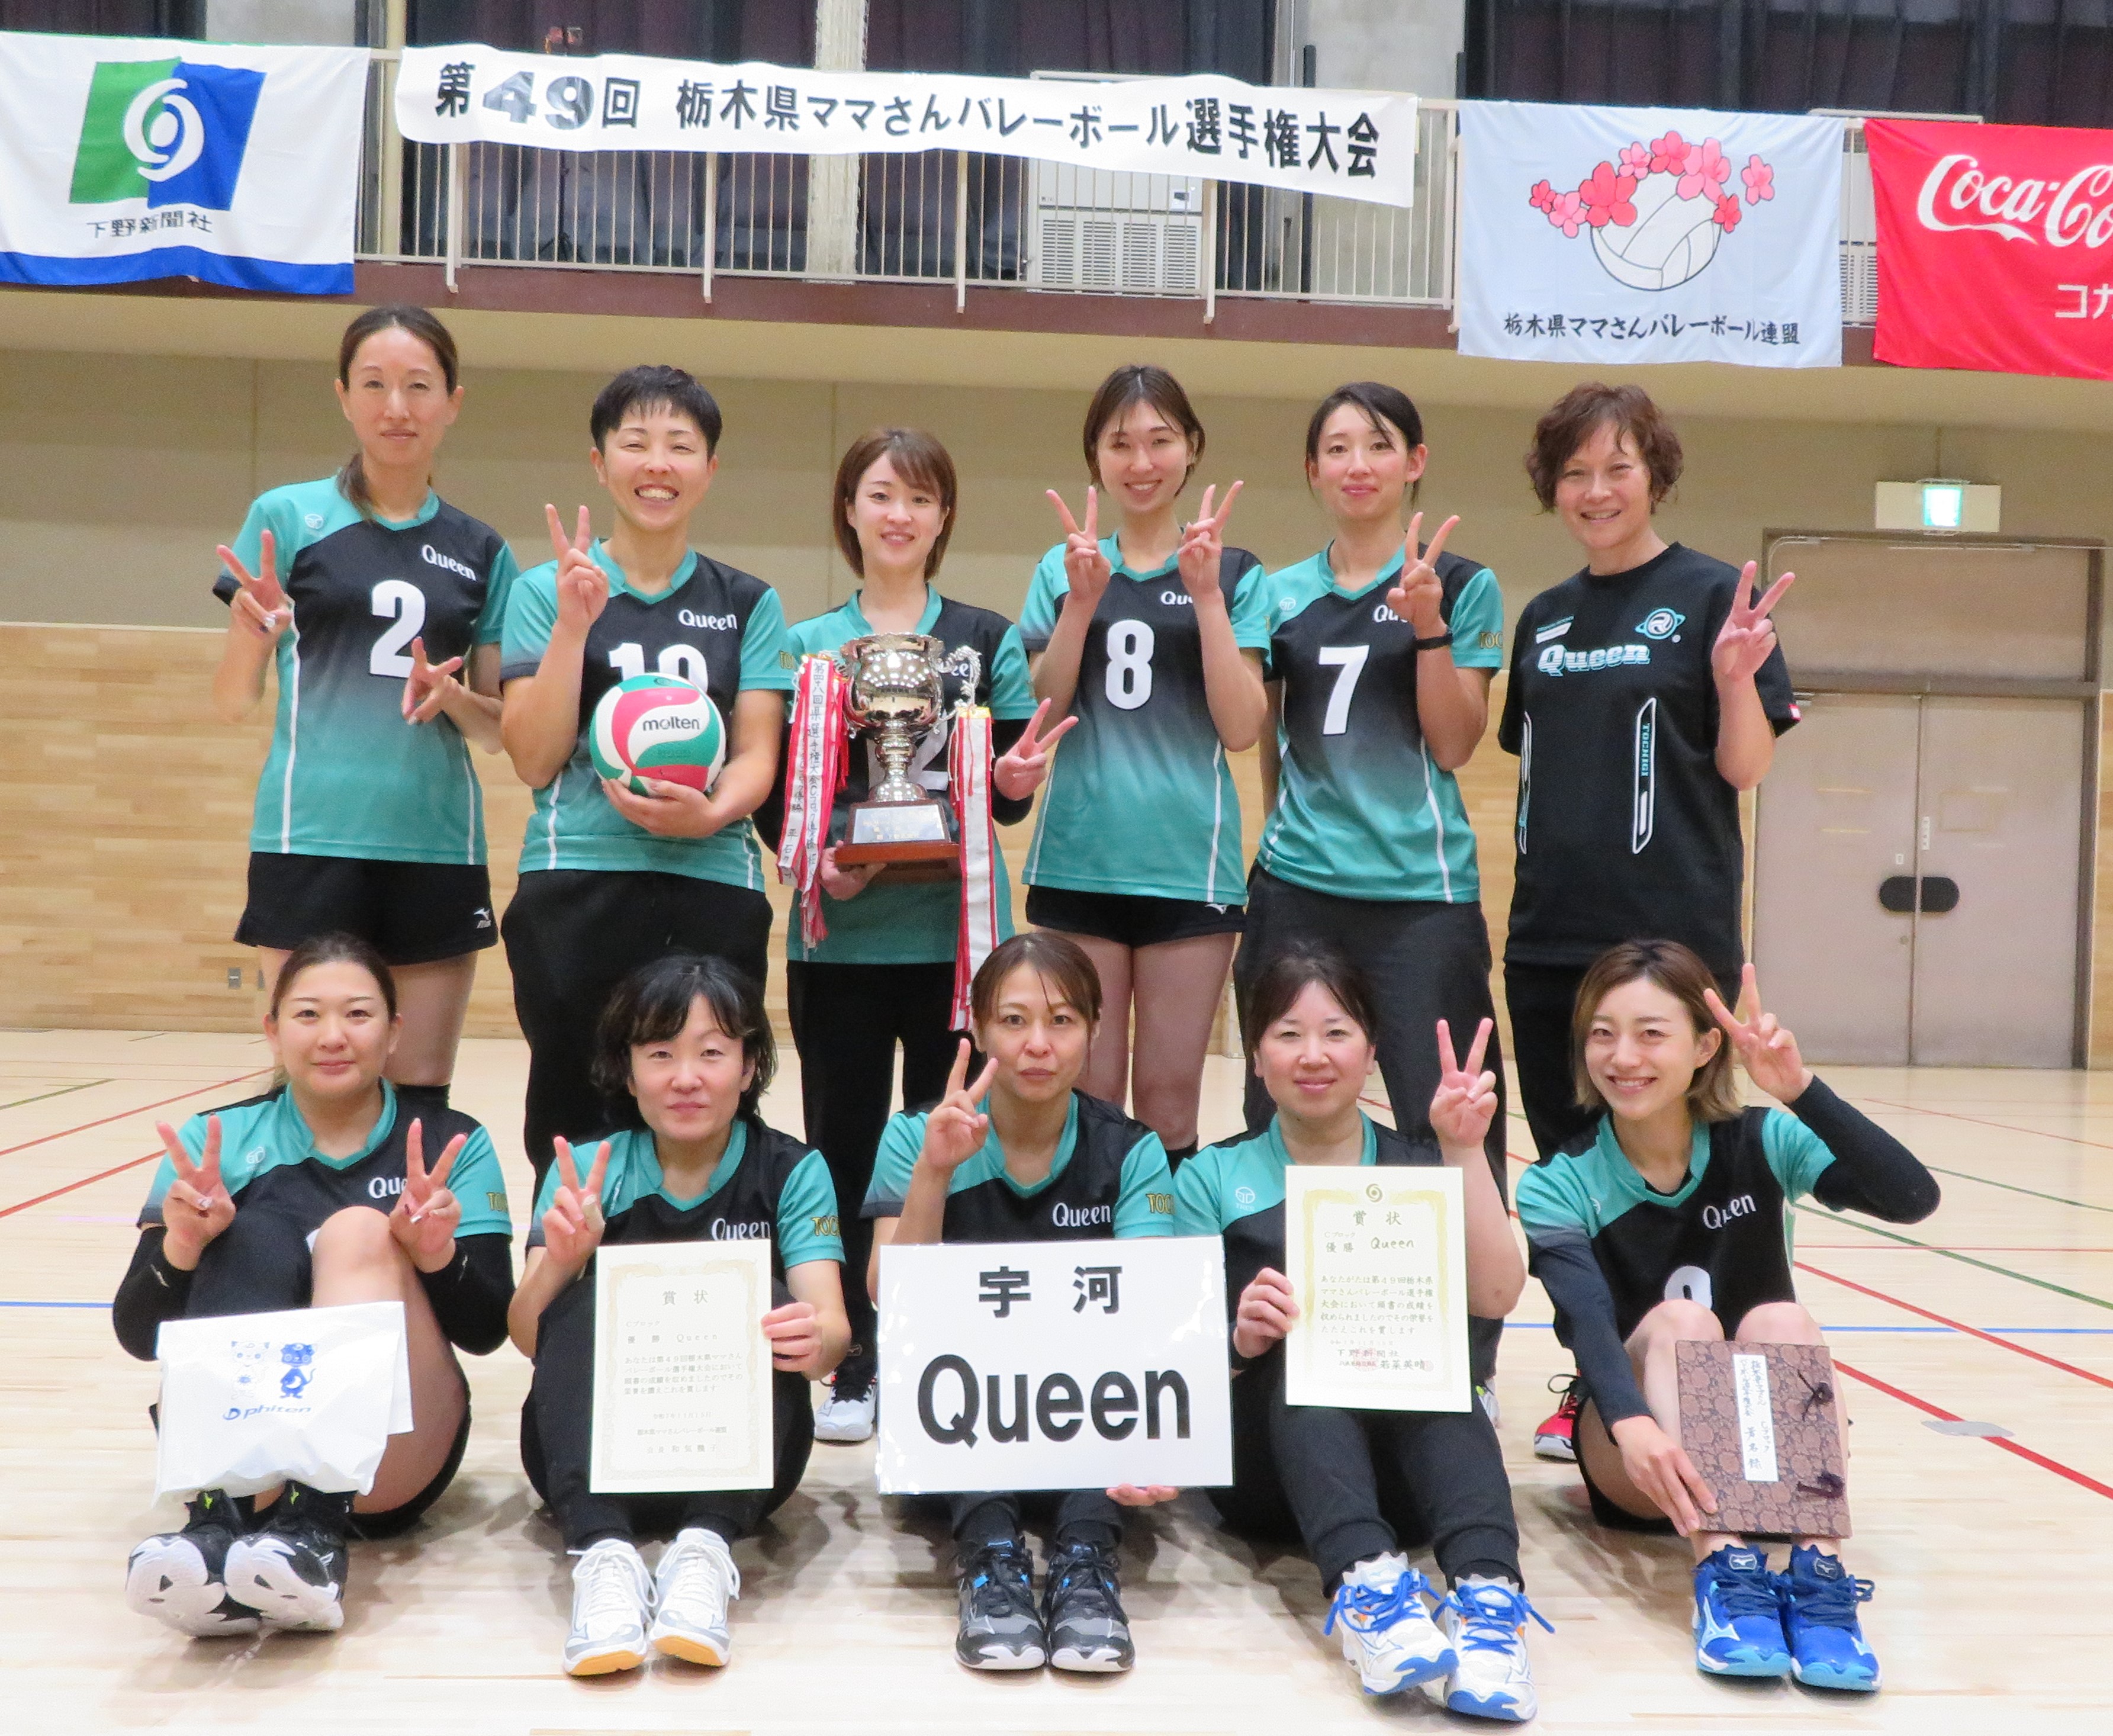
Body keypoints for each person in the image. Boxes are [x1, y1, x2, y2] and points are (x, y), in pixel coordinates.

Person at [1500, 382, 1797, 1462]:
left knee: (1695, 1167)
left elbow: (1744, 767)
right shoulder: (1543, 617)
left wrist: (1734, 680)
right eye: (1574, 472)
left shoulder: (1717, 596)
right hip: (1547, 943)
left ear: (1654, 476)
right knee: (1574, 1173)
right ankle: (1599, 1381)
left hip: (1672, 945)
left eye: (1616, 467)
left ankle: (1731, 1383)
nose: (1595, 490)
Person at [1515, 942, 1938, 1690]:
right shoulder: (1560, 1182)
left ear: (1706, 1046)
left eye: (1651, 1033)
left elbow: (1910, 1198)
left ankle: (1819, 1575)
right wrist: (1631, 1424)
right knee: (1683, 1325)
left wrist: (1800, 1089)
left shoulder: (1763, 1139)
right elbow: (1586, 1325)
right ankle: (1723, 1571)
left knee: (1779, 1319)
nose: (1622, 1057)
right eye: (1602, 1034)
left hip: (1767, 1459)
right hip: (1638, 1453)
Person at [774, 427, 1062, 1446]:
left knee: (952, 1150)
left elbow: (1006, 794)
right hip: (840, 947)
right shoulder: (804, 643)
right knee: (846, 1155)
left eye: (919, 498)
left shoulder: (983, 638)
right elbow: (782, 795)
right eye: (880, 494)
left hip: (957, 951)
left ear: (943, 517)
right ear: (848, 510)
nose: (898, 514)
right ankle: (854, 1359)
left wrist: (1011, 780)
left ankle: (941, 1351)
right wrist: (819, 857)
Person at [1176, 946, 1548, 1721]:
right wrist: (1237, 1341)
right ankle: (1371, 1594)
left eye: (1336, 1032)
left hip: (1408, 1479)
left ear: (1372, 1050)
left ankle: (1488, 1607)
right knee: (1301, 1354)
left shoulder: (1419, 1164)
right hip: (1268, 1476)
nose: (1312, 1055)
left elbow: (1495, 1293)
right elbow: (1175, 1364)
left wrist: (1463, 1149)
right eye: (1287, 1034)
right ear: (1256, 1056)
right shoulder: (1209, 1178)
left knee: (1446, 1369)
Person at [115, 933, 514, 1639]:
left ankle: (315, 1535)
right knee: (251, 1231)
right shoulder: (215, 1141)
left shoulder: (450, 1141)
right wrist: (182, 1245)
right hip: (251, 1458)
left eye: (357, 1014)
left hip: (384, 1462)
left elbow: (485, 1331)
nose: (333, 1036)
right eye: (307, 1015)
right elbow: (138, 1334)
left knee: (358, 1231)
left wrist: (435, 1253)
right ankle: (216, 1525)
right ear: (273, 1031)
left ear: (395, 1031)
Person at [1233, 381, 1509, 1394]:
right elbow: (1268, 746)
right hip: (1296, 893)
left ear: (1414, 462)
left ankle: (1465, 1359)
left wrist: (1427, 626)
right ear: (1311, 470)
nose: (1357, 464)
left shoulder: (1463, 583)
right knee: (1278, 1114)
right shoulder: (1277, 593)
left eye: (1378, 445)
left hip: (1419, 899)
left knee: (1449, 1116)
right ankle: (1274, 1339)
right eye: (1337, 447)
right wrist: (1285, 850)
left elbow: (1455, 740)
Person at [210, 305, 517, 1118]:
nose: (397, 407)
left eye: (419, 386)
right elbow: (234, 702)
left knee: (418, 1093)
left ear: (453, 401)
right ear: (343, 396)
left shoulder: (483, 551)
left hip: (434, 846)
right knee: (313, 1090)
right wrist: (251, 634)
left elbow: (499, 732)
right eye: (375, 385)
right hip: (307, 838)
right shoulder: (287, 519)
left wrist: (455, 699)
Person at [507, 954, 848, 1678]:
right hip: (596, 1458)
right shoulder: (586, 1169)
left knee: (769, 1301)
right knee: (580, 1298)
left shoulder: (792, 1170)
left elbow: (832, 1332)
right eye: (660, 1054)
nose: (685, 1077)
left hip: (741, 1470)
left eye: (711, 1053)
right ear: (627, 1071)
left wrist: (811, 1336)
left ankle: (703, 1553)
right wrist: (562, 1260)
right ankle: (602, 1555)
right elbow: (528, 1335)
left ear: (749, 1067)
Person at [499, 364, 793, 1188]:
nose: (657, 464)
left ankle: (706, 1264)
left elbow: (758, 755)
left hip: (713, 883)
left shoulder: (748, 602)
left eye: (680, 446)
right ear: (600, 464)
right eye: (636, 443)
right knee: (574, 1110)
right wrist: (572, 626)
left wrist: (710, 814)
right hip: (577, 879)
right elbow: (533, 757)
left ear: (710, 468)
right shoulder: (545, 590)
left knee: (707, 1108)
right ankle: (570, 1261)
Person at [864, 932, 1178, 1674]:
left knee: (1113, 1374)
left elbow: (1148, 1315)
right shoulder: (916, 1134)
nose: (1038, 1043)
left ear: (1094, 1030)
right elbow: (889, 1296)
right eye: (1013, 1020)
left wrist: (1158, 1432)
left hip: (1079, 1410)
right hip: (960, 1413)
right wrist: (934, 1173)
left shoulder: (1131, 1151)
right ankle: (989, 1558)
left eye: (1062, 1020)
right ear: (977, 1029)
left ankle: (1086, 1560)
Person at [1019, 364, 1269, 1165]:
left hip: (1187, 869)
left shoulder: (1235, 572)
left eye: (1159, 440)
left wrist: (1205, 597)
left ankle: (1169, 1245)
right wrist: (1081, 603)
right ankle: (1088, 1240)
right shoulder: (1063, 568)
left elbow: (1242, 728)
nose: (1140, 461)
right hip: (1079, 861)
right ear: (1094, 456)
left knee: (1167, 1100)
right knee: (1087, 1096)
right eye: (1119, 443)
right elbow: (1042, 710)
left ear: (1191, 447)